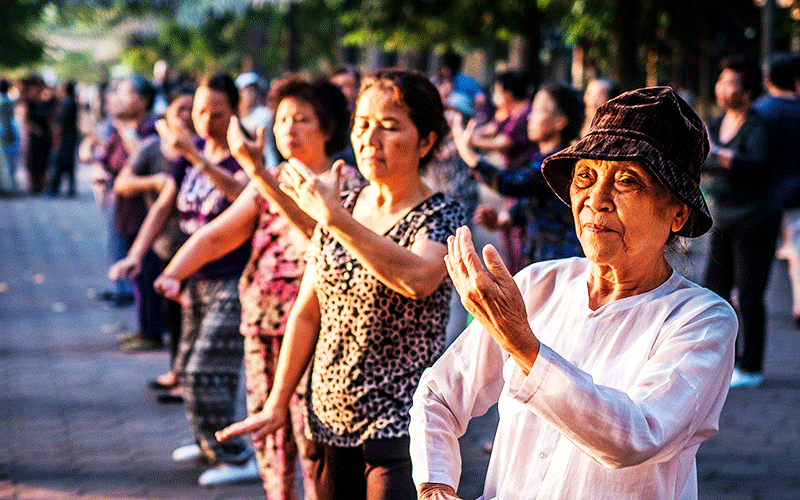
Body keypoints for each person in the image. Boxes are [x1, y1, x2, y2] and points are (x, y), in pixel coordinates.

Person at [409, 86, 738, 500]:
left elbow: (636, 436)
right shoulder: (538, 284)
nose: (595, 200)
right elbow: (439, 392)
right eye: (586, 177)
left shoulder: (702, 320)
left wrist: (525, 346)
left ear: (677, 212)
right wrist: (436, 483)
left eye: (628, 181)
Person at [216, 69, 465, 500]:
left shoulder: (441, 215)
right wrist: (278, 402)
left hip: (399, 421)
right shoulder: (346, 202)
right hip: (327, 416)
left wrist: (335, 220)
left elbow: (417, 279)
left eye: (389, 127)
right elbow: (308, 312)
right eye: (363, 125)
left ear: (425, 141)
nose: (371, 139)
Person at [129, 75, 361, 498]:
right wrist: (175, 271)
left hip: (315, 331)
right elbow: (217, 235)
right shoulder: (269, 178)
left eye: (302, 119)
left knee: (312, 439)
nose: (288, 128)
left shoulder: (345, 186)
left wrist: (259, 173)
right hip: (261, 323)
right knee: (268, 435)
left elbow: (317, 235)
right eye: (283, 119)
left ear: (327, 128)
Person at [113, 73, 254, 485]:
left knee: (204, 370)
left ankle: (235, 455)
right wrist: (136, 255)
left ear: (236, 112)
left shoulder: (245, 155)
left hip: (233, 279)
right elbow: (163, 208)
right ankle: (210, 441)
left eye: (218, 112)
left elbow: (238, 193)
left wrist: (197, 158)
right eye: (200, 111)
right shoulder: (189, 156)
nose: (208, 121)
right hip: (194, 280)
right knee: (190, 368)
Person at [109, 85, 196, 401]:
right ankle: (178, 372)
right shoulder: (153, 148)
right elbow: (125, 184)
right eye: (179, 110)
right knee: (172, 316)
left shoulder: (206, 152)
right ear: (167, 116)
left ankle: (191, 380)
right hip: (164, 247)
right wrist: (154, 181)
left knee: (194, 320)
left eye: (192, 108)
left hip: (203, 253)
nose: (186, 116)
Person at [453, 81, 585, 266]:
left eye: (539, 109)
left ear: (560, 121)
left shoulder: (559, 162)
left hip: (557, 261)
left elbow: (512, 183)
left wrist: (468, 154)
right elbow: (534, 201)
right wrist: (502, 220)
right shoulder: (545, 157)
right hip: (541, 257)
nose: (530, 116)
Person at [702, 56, 775, 389]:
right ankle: (718, 361)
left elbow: (756, 164)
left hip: (755, 219)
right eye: (721, 80)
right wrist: (721, 158)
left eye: (730, 82)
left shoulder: (759, 125)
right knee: (713, 293)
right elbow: (707, 160)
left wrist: (718, 155)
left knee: (749, 294)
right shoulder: (717, 123)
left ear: (746, 91)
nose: (722, 87)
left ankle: (751, 366)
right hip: (722, 218)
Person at [756, 53, 800, 330]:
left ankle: (740, 295)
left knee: (757, 253)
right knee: (798, 250)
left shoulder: (760, 111)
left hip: (765, 193)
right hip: (798, 194)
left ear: (768, 78)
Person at [48, 80, 79, 198]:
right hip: (70, 137)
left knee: (58, 163)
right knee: (69, 164)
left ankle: (54, 189)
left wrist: (56, 139)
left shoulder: (67, 103)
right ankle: (70, 188)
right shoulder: (71, 102)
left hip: (65, 138)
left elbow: (61, 123)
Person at [437, 50, 487, 117]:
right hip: (466, 117)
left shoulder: (439, 80)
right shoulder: (469, 81)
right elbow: (481, 99)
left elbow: (480, 99)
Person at [0, 78, 18, 194]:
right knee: (8, 159)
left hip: (3, 132)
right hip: (8, 131)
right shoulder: (9, 101)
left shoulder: (4, 101)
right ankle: (8, 185)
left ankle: (6, 186)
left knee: (5, 159)